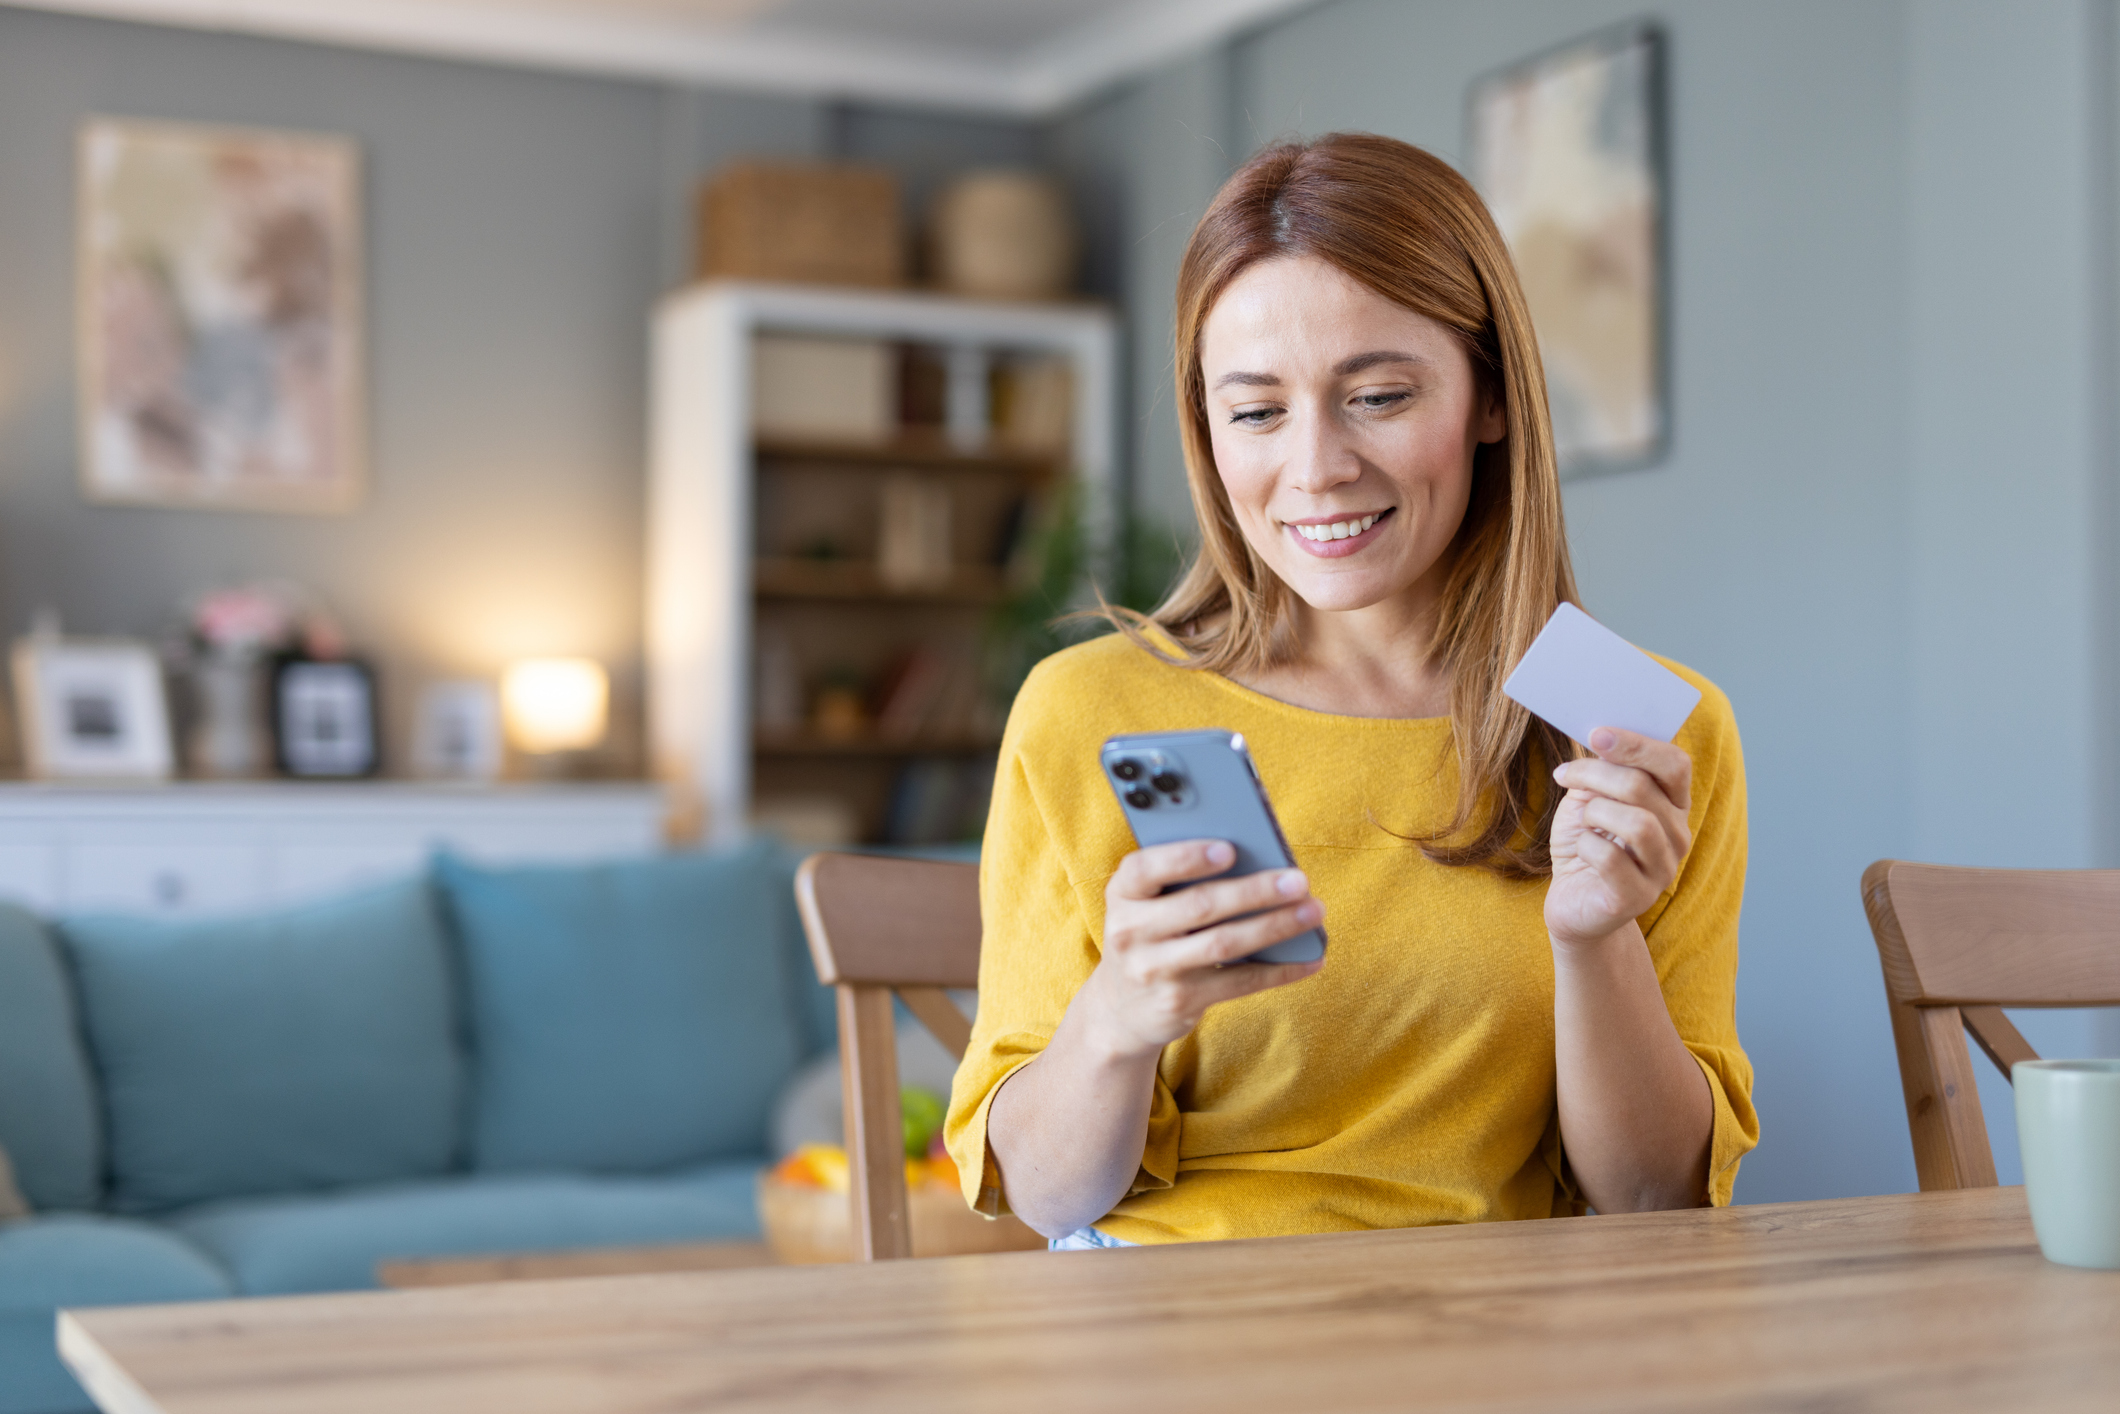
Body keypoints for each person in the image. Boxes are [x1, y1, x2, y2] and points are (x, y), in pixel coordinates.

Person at [944, 133, 1756, 1248]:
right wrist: (1120, 1020)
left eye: (1375, 395)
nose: (1315, 465)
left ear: (1490, 397)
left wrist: (1592, 937)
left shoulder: (1642, 733)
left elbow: (1653, 1202)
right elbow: (1044, 1197)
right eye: (1255, 411)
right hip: (1173, 1333)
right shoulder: (1087, 710)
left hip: (1508, 1339)